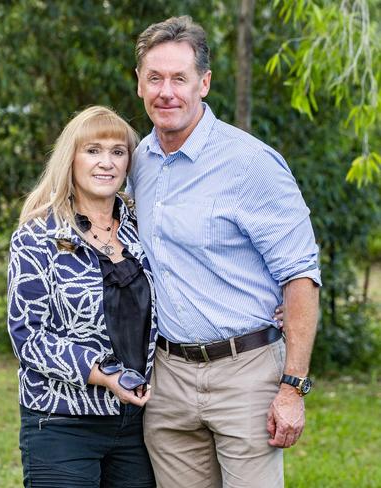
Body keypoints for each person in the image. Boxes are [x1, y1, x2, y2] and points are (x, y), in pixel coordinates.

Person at [127, 16, 321, 488]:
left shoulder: (251, 163)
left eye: (180, 78)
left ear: (205, 83)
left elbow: (300, 276)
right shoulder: (134, 163)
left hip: (246, 374)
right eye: (155, 78)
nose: (166, 91)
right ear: (138, 84)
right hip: (168, 377)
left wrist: (293, 388)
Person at [7, 105, 158, 487]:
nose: (106, 162)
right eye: (93, 150)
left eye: (117, 152)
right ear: (70, 159)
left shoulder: (146, 228)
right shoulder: (37, 235)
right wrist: (105, 374)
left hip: (140, 422)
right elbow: (28, 335)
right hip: (61, 420)